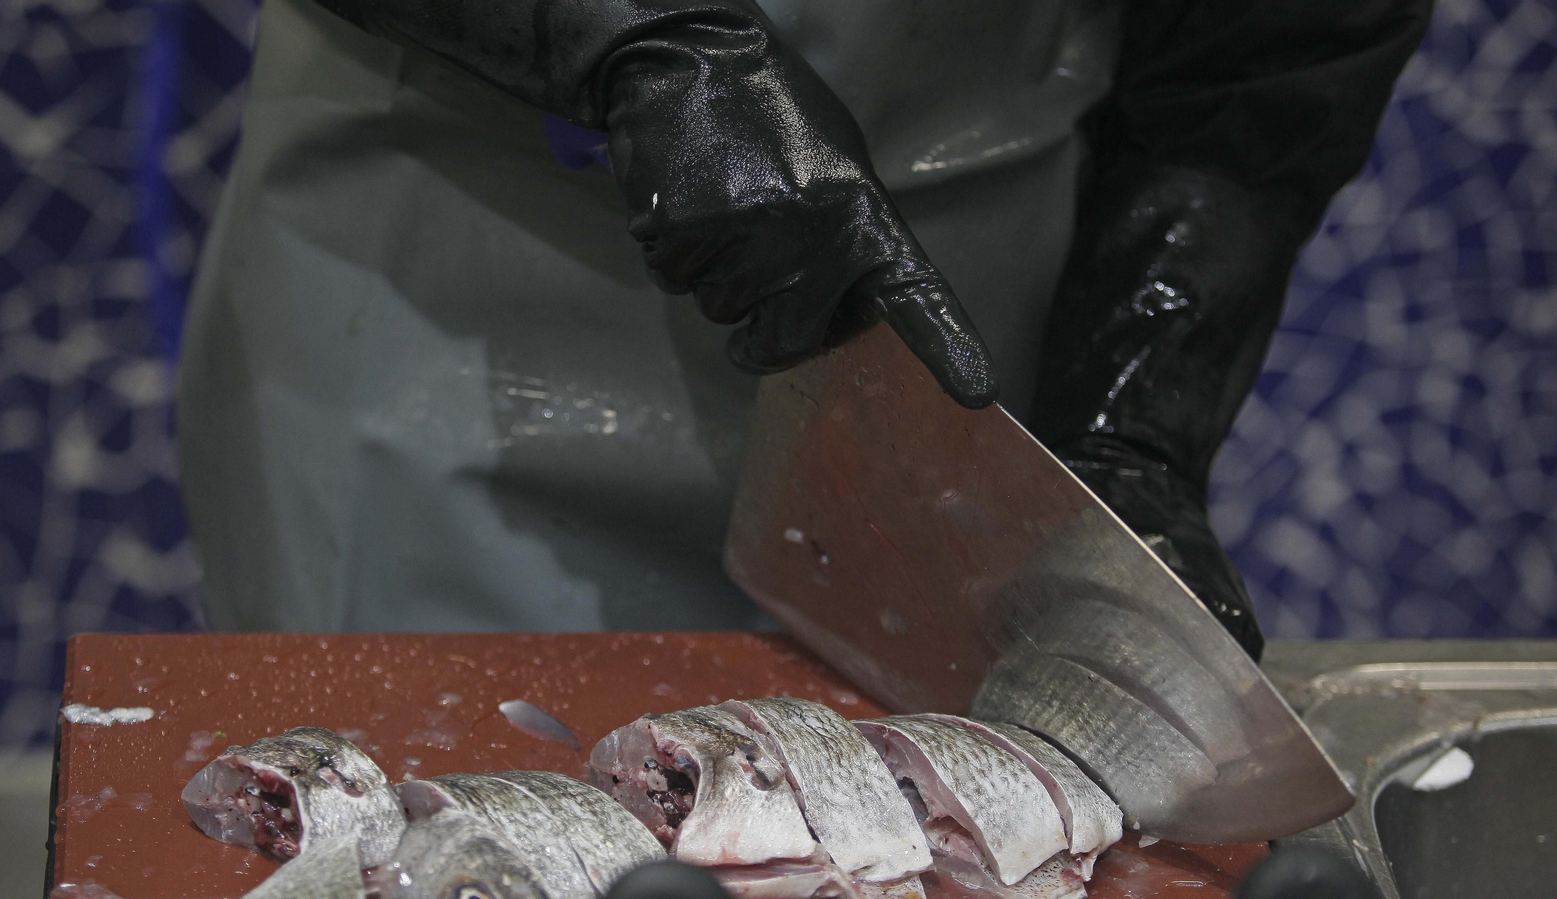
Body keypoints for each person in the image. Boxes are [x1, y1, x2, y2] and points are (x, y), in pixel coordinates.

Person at [178, 0, 1430, 658]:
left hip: (944, 358)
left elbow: (1266, 61)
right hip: (440, 306)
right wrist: (627, 33)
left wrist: (1132, 429)